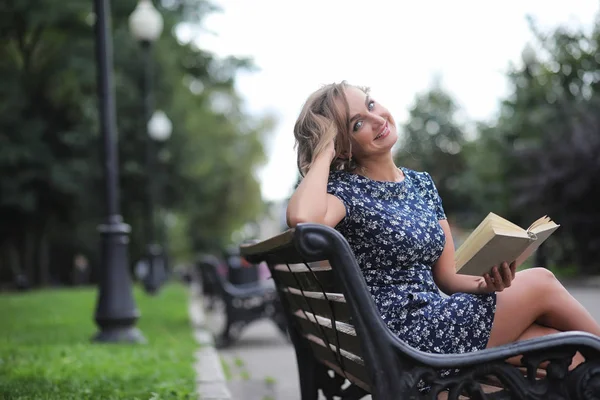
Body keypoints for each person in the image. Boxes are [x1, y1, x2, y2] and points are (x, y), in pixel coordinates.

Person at [286, 81, 600, 367]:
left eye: (370, 105)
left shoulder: (421, 184)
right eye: (357, 123)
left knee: (564, 356)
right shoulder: (345, 192)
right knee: (542, 281)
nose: (377, 119)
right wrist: (325, 152)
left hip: (439, 319)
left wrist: (487, 284)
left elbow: (448, 277)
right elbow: (303, 219)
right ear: (343, 146)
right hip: (407, 337)